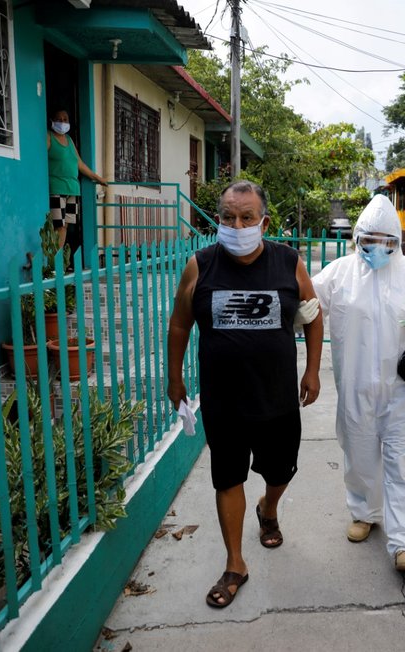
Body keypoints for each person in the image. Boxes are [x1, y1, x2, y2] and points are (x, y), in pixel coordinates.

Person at [167, 180, 323, 608]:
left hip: (276, 399)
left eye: (246, 217)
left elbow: (312, 315)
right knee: (227, 477)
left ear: (264, 221)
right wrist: (174, 376)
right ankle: (235, 563)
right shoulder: (200, 265)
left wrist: (311, 369)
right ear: (219, 220)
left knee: (280, 473)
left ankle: (268, 508)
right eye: (228, 217)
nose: (237, 225)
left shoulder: (289, 262)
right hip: (224, 401)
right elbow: (180, 323)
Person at [312, 195, 405, 573]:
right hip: (355, 385)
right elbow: (309, 305)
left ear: (397, 241)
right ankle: (365, 512)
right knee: (359, 454)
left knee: (402, 462)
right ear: (357, 237)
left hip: (404, 388)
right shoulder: (339, 273)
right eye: (370, 239)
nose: (377, 247)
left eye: (386, 240)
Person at [47, 109, 108, 251]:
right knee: (58, 225)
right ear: (52, 120)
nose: (62, 122)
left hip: (73, 189)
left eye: (65, 119)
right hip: (56, 188)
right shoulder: (49, 137)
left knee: (65, 225)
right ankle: (53, 261)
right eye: (59, 119)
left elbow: (79, 163)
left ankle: (58, 260)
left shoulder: (69, 140)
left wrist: (98, 178)